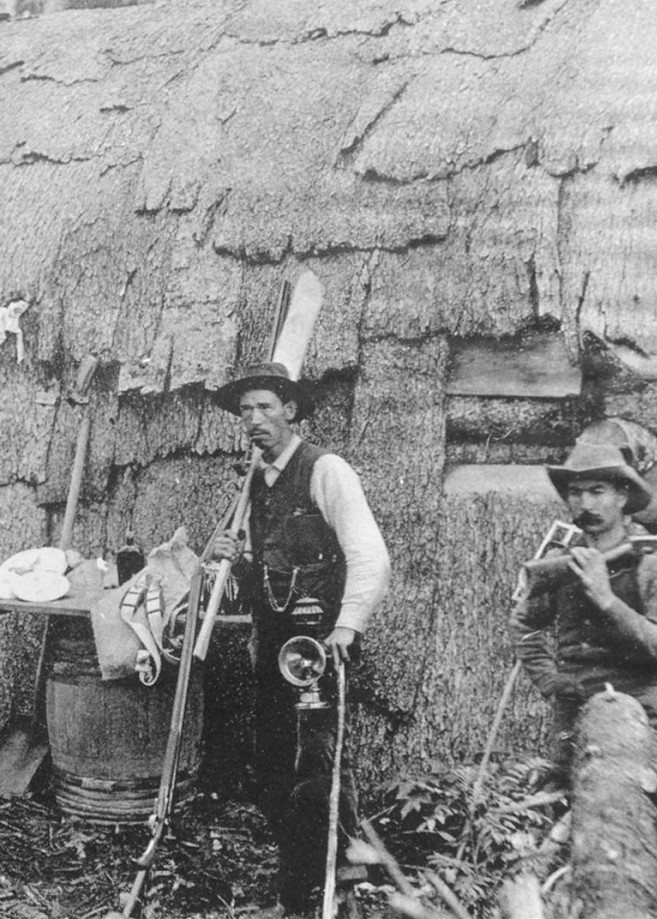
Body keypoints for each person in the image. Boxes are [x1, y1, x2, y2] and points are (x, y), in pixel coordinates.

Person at [208, 362, 390, 917]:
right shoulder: (256, 484)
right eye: (245, 410)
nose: (253, 420)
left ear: (291, 411)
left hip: (316, 650)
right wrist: (231, 563)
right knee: (272, 763)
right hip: (274, 649)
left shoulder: (325, 470)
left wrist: (346, 627)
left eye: (265, 407)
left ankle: (331, 887)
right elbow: (267, 575)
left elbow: (370, 556)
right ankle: (298, 881)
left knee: (318, 764)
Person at [510, 442, 657, 779]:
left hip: (639, 720)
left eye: (597, 491)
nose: (585, 503)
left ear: (622, 496)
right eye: (575, 493)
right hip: (572, 721)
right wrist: (552, 682)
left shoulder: (654, 564)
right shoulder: (560, 565)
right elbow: (524, 625)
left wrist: (607, 600)